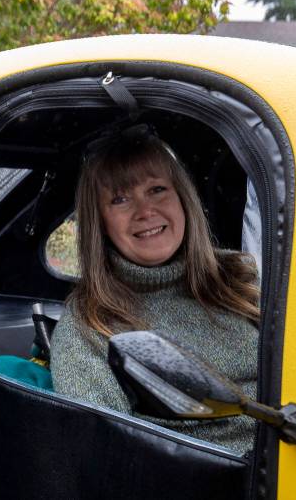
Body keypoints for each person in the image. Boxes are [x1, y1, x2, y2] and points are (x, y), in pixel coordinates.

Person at [50, 126, 260, 454]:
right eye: (120, 199)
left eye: (157, 189)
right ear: (100, 224)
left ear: (183, 199)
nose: (145, 211)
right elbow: (104, 457)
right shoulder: (87, 326)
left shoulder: (241, 276)